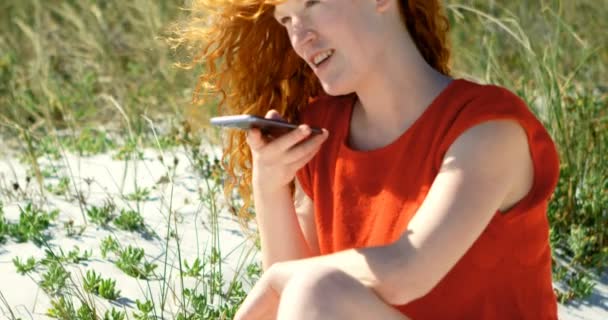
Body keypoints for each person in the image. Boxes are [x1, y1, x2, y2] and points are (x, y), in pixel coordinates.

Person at [173, 0, 561, 319]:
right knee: (313, 290)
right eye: (286, 19)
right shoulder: (322, 131)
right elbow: (286, 305)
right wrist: (269, 184)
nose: (299, 36)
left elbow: (407, 270)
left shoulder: (488, 127)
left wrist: (282, 279)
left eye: (312, 3)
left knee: (315, 290)